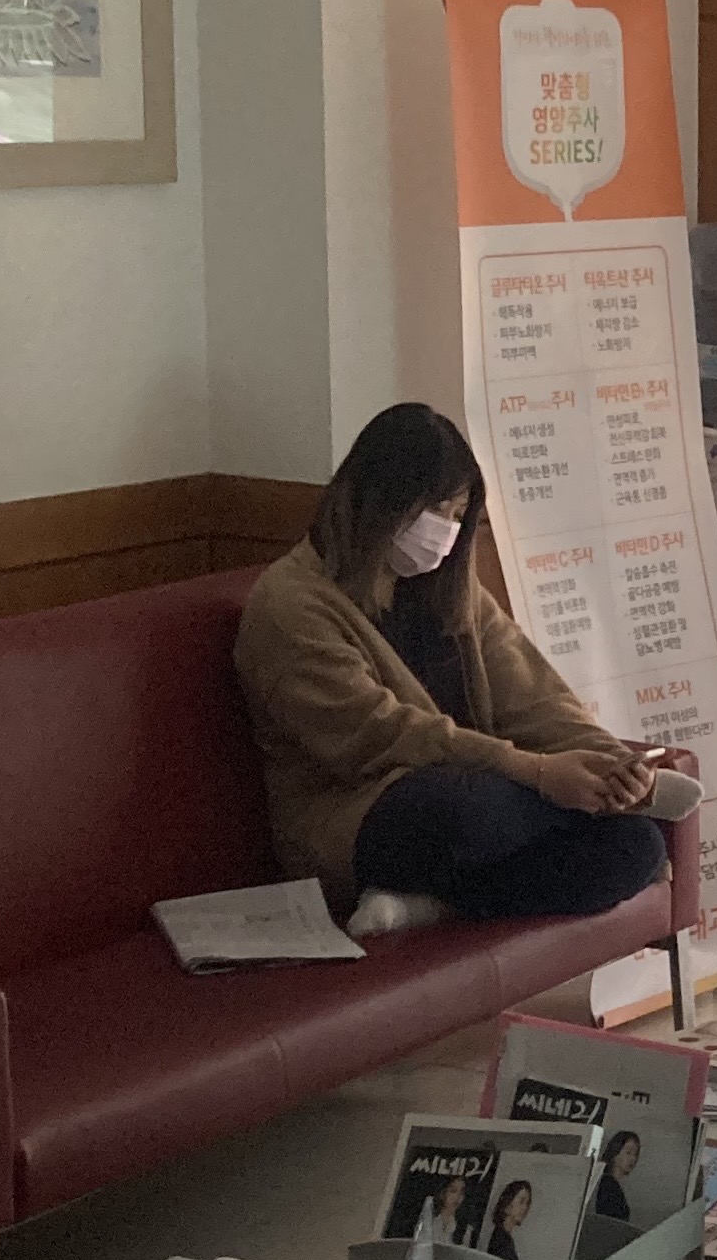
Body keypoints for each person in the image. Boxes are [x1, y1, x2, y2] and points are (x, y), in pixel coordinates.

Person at [235, 402, 690, 940]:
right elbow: (381, 735)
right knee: (468, 811)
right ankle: (424, 885)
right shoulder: (290, 604)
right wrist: (540, 774)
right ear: (378, 499)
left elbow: (534, 696)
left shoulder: (451, 589)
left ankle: (431, 905)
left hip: (480, 792)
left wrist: (611, 765)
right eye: (436, 510)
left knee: (635, 847)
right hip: (358, 818)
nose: (445, 531)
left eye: (457, 515)